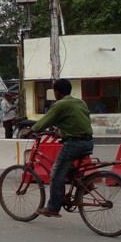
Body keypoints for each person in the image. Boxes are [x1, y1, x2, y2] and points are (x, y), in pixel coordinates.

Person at [24, 79, 93, 218]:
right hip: (88, 142)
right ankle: (84, 185)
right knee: (67, 167)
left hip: (74, 143)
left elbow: (45, 121)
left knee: (55, 174)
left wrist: (30, 131)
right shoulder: (80, 102)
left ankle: (53, 208)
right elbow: (77, 122)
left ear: (57, 92)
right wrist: (61, 133)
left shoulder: (60, 104)